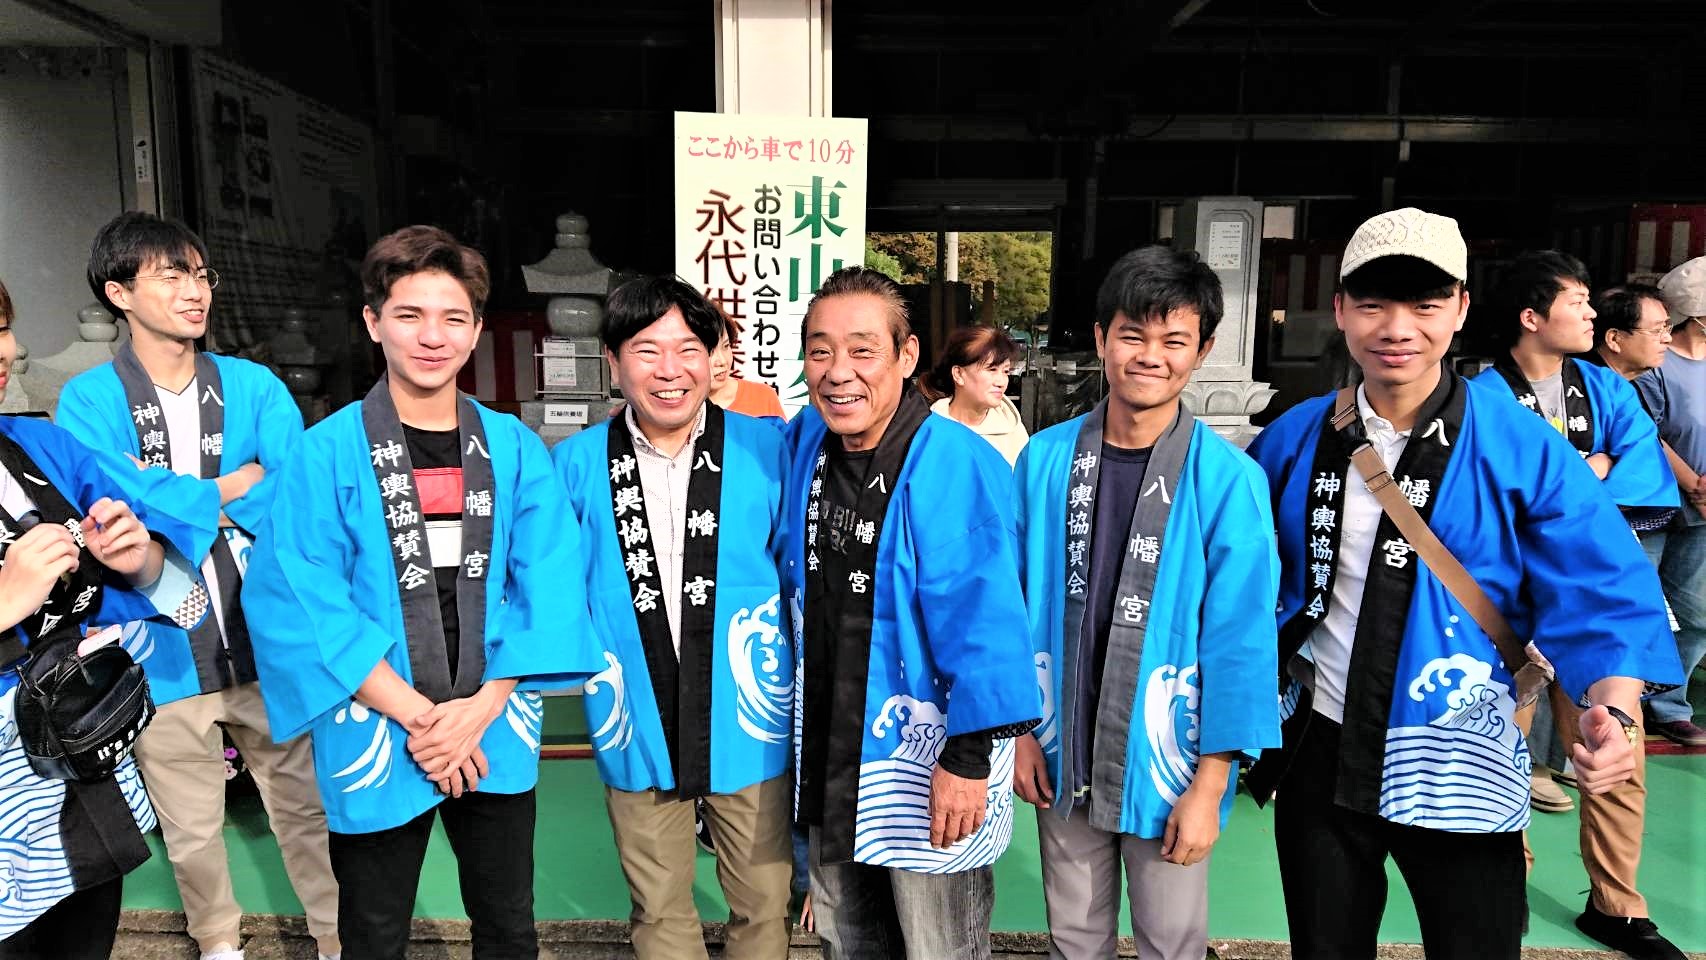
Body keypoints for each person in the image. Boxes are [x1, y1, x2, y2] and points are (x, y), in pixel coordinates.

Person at [1244, 207, 1681, 960]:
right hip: (1322, 747)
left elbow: (1600, 585)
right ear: (1341, 309)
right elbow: (1241, 578)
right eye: (1374, 303)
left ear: (1462, 310)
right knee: (1324, 945)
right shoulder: (1295, 435)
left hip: (1458, 751)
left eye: (1425, 304)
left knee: (1474, 945)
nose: (1397, 328)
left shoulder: (1519, 446)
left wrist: (1615, 705)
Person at [241, 226, 604, 960]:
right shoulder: (326, 451)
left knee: (509, 921)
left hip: (491, 715)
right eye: (409, 315)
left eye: (453, 317)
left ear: (475, 330)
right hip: (374, 715)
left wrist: (480, 709)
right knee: (372, 929)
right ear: (373, 322)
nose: (431, 336)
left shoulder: (513, 448)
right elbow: (301, 595)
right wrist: (421, 718)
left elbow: (552, 578)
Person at [56, 211, 340, 960]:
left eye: (201, 273)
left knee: (306, 813)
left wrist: (173, 497)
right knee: (191, 832)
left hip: (267, 641)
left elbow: (288, 491)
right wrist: (225, 487)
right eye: (172, 274)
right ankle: (219, 947)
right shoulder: (87, 399)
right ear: (119, 293)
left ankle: (339, 940)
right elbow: (109, 500)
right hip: (161, 648)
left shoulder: (255, 385)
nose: (196, 291)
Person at [1012, 247, 1280, 960]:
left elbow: (1242, 640)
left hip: (1169, 763)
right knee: (1073, 936)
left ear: (1203, 351)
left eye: (1174, 340)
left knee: (1171, 940)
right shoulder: (1043, 462)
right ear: (1102, 339)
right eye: (1132, 335)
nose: (1149, 356)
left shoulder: (1228, 482)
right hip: (1059, 748)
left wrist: (1213, 779)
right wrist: (1016, 733)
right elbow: (1007, 606)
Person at [780, 266, 1041, 960]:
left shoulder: (954, 461)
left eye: (863, 350)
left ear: (908, 355)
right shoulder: (806, 444)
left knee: (938, 946)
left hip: (929, 762)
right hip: (834, 748)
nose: (839, 372)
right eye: (820, 350)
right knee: (848, 938)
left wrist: (967, 757)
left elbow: (988, 619)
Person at [553, 276, 793, 959]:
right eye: (646, 349)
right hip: (634, 715)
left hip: (749, 719)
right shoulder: (572, 464)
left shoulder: (767, 449)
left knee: (764, 903)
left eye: (688, 348)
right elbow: (552, 586)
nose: (669, 370)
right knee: (658, 910)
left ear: (714, 359)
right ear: (613, 362)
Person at [1471, 254, 1684, 960]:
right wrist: (1582, 472)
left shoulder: (1605, 387)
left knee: (1613, 747)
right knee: (1495, 746)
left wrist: (1572, 477)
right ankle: (1504, 884)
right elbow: (1494, 497)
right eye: (1581, 301)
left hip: (1592, 599)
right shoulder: (1481, 397)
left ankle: (1617, 904)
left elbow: (1640, 461)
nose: (1594, 313)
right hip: (1515, 600)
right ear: (1531, 317)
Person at [0, 275, 217, 959]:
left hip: (76, 760)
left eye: (3, 327)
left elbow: (186, 601)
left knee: (80, 941)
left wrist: (140, 559)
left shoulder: (42, 449)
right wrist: (7, 600)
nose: (6, 347)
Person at [1635, 256, 1706, 748]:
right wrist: (1695, 483)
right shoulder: (1655, 363)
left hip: (1703, 510)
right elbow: (1647, 432)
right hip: (1656, 502)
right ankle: (1623, 701)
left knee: (1695, 611)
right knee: (1638, 604)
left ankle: (1668, 705)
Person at [918, 325, 1029, 466]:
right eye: (992, 369)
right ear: (958, 374)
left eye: (1006, 371)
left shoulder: (1014, 432)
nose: (1002, 382)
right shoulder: (929, 430)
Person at [709, 310, 785, 420]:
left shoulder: (763, 396)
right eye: (710, 352)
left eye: (726, 346)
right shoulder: (682, 407)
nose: (722, 361)